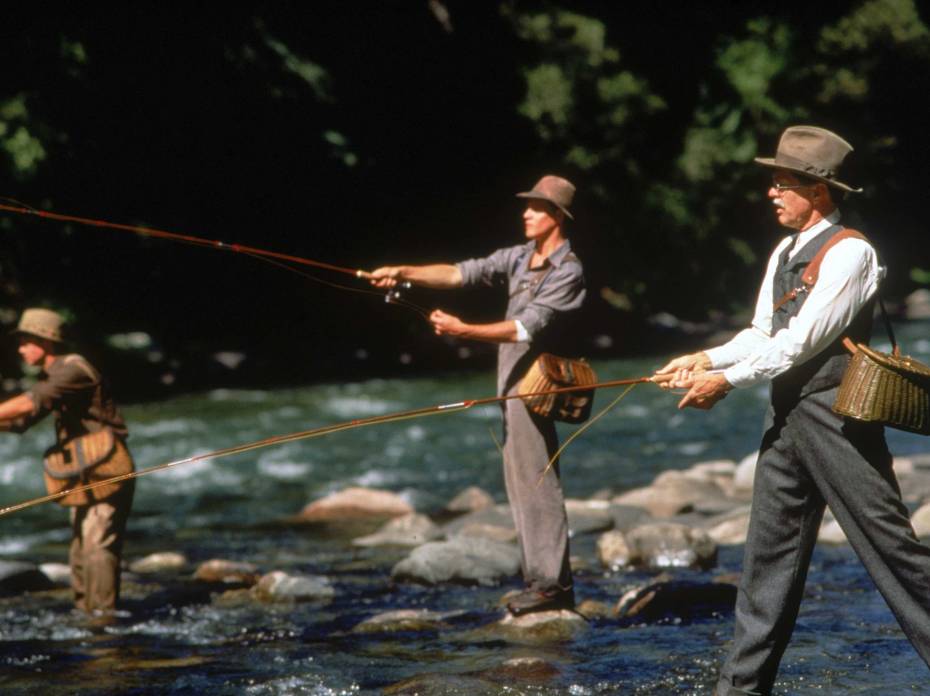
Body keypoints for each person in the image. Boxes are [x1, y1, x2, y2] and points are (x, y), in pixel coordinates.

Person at [656, 126, 930, 694]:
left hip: (839, 419)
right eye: (774, 183)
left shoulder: (851, 253)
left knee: (894, 554)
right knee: (766, 565)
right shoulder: (784, 250)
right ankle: (740, 689)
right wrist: (704, 357)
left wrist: (723, 381)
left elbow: (801, 343)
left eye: (783, 184)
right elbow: (763, 333)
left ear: (819, 191)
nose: (771, 193)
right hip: (784, 420)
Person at [368, 175, 586, 615]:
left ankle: (552, 586)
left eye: (536, 207)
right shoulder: (519, 256)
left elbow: (524, 328)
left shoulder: (568, 270)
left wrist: (463, 330)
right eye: (527, 205)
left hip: (537, 390)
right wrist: (403, 272)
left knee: (537, 480)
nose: (526, 212)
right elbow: (458, 273)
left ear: (557, 216)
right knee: (519, 480)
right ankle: (541, 581)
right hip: (511, 385)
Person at [0, 308, 134, 614]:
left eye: (26, 342)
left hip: (107, 470)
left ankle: (103, 620)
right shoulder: (55, 375)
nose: (20, 349)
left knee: (97, 547)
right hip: (85, 472)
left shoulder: (74, 369)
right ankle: (85, 614)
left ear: (46, 341)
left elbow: (29, 403)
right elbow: (22, 421)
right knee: (79, 551)